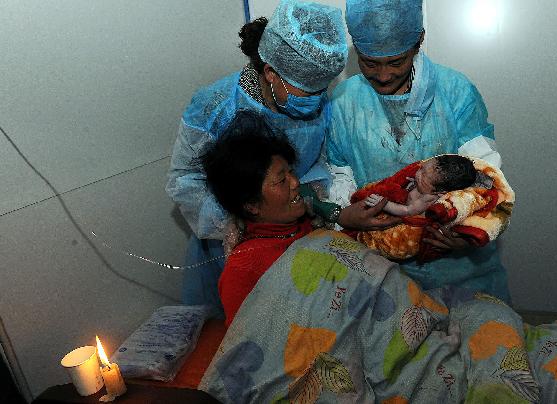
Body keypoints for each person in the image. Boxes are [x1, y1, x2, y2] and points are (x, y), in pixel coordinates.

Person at [165, 0, 349, 315]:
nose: (316, 101)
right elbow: (184, 179)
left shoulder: (319, 102)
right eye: (306, 92)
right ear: (270, 72)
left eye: (322, 90)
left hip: (296, 235)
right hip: (232, 248)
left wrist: (314, 197)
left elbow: (317, 162)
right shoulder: (215, 107)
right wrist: (229, 221)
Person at [325, 0, 510, 302]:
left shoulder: (455, 92)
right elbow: (339, 172)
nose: (383, 76)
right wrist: (346, 216)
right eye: (369, 63)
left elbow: (487, 177)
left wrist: (470, 232)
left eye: (396, 62)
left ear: (419, 40)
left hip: (461, 271)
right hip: (378, 268)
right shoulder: (345, 100)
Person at [202, 112, 313, 326]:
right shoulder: (243, 269)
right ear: (251, 205)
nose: (295, 183)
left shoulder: (308, 226)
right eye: (281, 180)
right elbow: (246, 345)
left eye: (291, 172)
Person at [357, 154, 477, 217]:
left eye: (422, 177)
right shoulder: (428, 186)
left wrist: (384, 204)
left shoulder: (429, 198)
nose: (417, 173)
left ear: (438, 192)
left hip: (401, 214)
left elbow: (407, 211)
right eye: (422, 168)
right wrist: (415, 183)